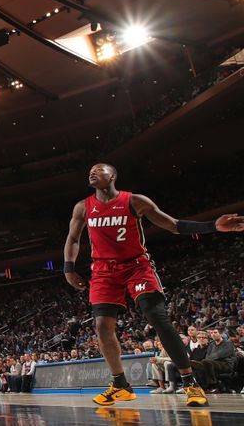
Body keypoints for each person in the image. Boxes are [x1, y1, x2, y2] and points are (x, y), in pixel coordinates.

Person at [63, 163, 244, 407]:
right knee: (102, 326)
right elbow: (73, 238)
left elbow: (173, 224)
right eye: (90, 170)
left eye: (99, 169)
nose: (92, 172)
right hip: (104, 270)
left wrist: (212, 226)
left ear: (113, 176)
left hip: (136, 266)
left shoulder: (135, 201)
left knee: (157, 317)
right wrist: (68, 267)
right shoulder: (83, 206)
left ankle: (190, 382)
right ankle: (120, 385)